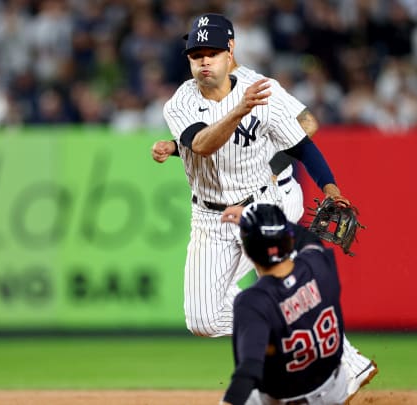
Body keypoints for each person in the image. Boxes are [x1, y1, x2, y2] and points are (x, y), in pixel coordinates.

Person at [160, 12, 376, 391]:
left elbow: (302, 140)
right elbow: (202, 145)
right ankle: (292, 325)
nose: (204, 61)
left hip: (262, 208)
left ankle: (341, 358)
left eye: (212, 51)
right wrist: (229, 117)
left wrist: (330, 187)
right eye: (197, 54)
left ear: (230, 51)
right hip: (210, 217)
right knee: (202, 319)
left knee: (273, 280)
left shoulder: (262, 89)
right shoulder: (180, 103)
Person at [152, 13, 335, 223]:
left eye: (212, 40)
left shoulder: (257, 83)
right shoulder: (201, 88)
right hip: (230, 202)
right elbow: (223, 142)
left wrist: (273, 166)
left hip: (276, 191)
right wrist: (176, 147)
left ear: (229, 45)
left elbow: (308, 122)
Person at [219, 202, 377, 405]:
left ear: (247, 251)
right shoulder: (319, 265)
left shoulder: (253, 301)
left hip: (283, 400)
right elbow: (309, 240)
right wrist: (272, 225)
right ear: (288, 239)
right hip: (333, 392)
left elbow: (249, 370)